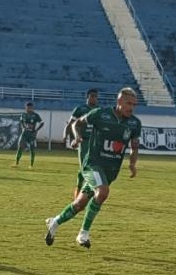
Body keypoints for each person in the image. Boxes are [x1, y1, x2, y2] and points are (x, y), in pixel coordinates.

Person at [45, 88, 142, 249]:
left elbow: (134, 146)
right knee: (103, 192)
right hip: (92, 165)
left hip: (111, 170)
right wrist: (77, 137)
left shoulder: (134, 123)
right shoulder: (100, 114)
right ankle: (83, 233)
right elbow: (77, 123)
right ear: (119, 102)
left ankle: (54, 222)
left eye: (134, 104)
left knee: (79, 204)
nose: (131, 108)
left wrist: (132, 164)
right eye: (128, 103)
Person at [65, 89, 100, 199]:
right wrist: (71, 138)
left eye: (96, 96)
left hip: (94, 143)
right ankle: (79, 189)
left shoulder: (99, 111)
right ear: (87, 97)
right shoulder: (80, 109)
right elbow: (71, 124)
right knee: (84, 168)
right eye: (92, 96)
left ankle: (93, 191)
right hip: (83, 141)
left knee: (94, 167)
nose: (94, 98)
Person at [14, 101, 45, 168]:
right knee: (20, 146)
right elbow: (21, 122)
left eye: (30, 108)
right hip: (24, 133)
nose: (29, 109)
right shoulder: (23, 114)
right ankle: (16, 163)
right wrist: (23, 127)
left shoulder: (35, 115)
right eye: (28, 108)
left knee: (32, 149)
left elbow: (42, 123)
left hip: (31, 135)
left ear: (32, 108)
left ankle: (31, 165)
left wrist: (36, 130)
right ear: (26, 108)